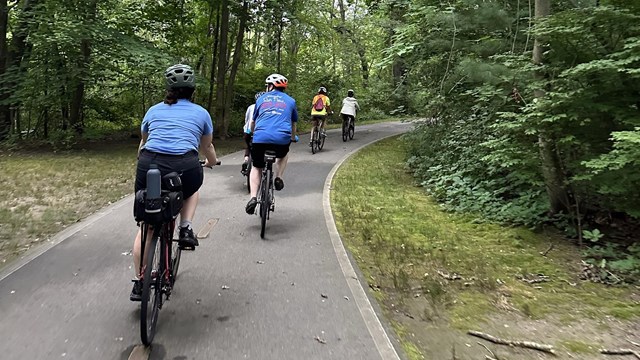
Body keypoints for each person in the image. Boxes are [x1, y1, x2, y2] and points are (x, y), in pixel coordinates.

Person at [130, 63, 219, 301]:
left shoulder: (153, 111)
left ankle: (139, 283)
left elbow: (144, 142)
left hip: (149, 164)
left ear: (167, 88)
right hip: (184, 165)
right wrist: (212, 161)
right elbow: (207, 146)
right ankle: (186, 227)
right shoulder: (201, 113)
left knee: (147, 227)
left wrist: (143, 160)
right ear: (192, 90)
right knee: (192, 189)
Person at [245, 73, 298, 214]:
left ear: (271, 86)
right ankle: (278, 177)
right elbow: (293, 124)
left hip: (260, 138)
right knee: (284, 154)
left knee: (256, 167)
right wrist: (293, 137)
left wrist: (252, 132)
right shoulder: (291, 101)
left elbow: (253, 122)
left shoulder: (261, 99)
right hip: (281, 140)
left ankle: (253, 198)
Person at [242, 91, 265, 175]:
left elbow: (246, 119)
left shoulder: (251, 107)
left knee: (248, 146)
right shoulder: (265, 108)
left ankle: (246, 159)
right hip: (260, 131)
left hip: (248, 131)